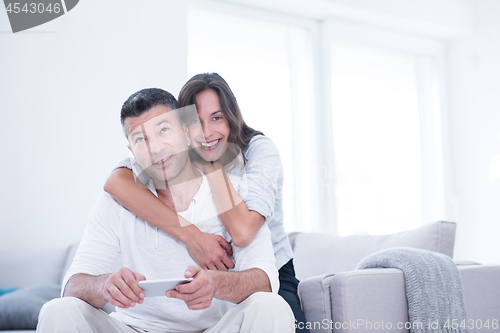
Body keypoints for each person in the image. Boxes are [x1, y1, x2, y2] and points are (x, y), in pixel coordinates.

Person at [36, 88, 294, 333]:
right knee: (58, 310)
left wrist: (217, 284)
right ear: (131, 152)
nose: (155, 147)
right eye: (141, 139)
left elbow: (264, 281)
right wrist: (104, 285)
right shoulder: (115, 200)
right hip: (134, 328)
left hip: (214, 328)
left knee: (272, 306)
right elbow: (72, 286)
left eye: (163, 130)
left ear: (185, 131)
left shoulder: (229, 190)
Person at [104, 73, 309, 332]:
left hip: (271, 272)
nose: (207, 132)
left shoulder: (258, 150)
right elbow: (116, 182)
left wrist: (211, 165)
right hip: (215, 278)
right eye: (196, 122)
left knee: (282, 318)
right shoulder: (176, 154)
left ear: (231, 117)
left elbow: (243, 232)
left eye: (217, 118)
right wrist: (192, 236)